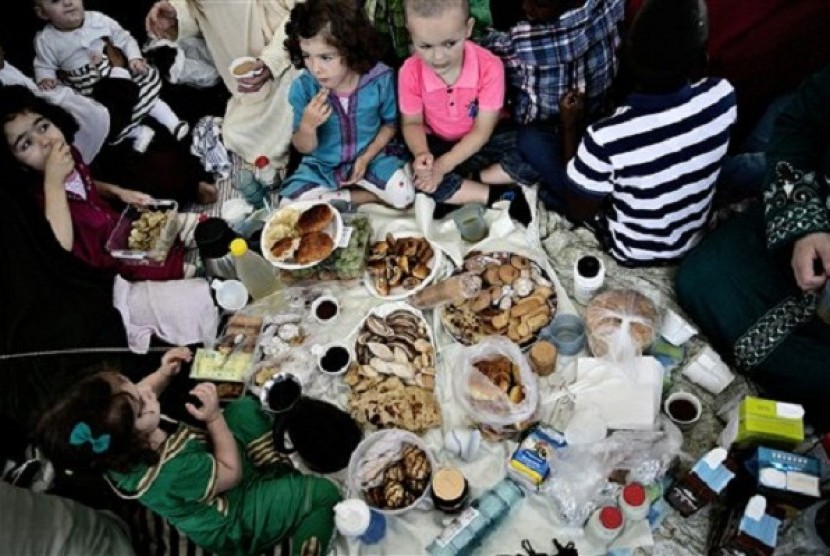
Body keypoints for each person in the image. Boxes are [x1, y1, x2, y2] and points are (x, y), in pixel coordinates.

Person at [36, 348, 341, 556]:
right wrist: (213, 419)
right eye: (140, 402)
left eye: (130, 383)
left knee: (246, 408)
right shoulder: (170, 472)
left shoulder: (118, 437)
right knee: (322, 492)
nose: (145, 392)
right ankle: (306, 544)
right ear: (135, 439)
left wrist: (163, 373)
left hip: (211, 467)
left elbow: (141, 392)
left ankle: (273, 478)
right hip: (232, 514)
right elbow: (230, 474)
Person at [676, 62, 830, 429]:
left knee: (811, 392)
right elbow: (798, 129)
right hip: (795, 227)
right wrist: (805, 227)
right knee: (701, 279)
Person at [563, 0, 737, 266]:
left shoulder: (605, 137)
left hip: (633, 251)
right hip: (692, 239)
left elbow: (578, 210)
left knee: (533, 143)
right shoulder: (723, 97)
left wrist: (569, 126)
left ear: (621, 52)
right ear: (703, 61)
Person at [0, 85, 186, 281]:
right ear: (15, 163)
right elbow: (59, 248)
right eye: (26, 144)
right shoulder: (36, 200)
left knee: (180, 230)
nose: (45, 141)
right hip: (105, 269)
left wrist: (117, 192)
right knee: (182, 269)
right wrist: (54, 182)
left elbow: (84, 183)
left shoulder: (70, 155)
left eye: (44, 126)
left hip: (118, 232)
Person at [399, 0, 534, 225]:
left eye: (450, 43)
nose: (438, 58)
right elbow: (412, 123)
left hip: (485, 140)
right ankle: (493, 195)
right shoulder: (409, 71)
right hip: (438, 143)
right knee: (416, 182)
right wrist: (423, 156)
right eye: (425, 46)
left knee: (537, 150)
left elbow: (482, 130)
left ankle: (469, 183)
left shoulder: (489, 66)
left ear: (468, 28)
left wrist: (443, 167)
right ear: (410, 33)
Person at [481, 0, 624, 212]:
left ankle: (562, 199)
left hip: (555, 132)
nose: (527, 9)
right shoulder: (611, 6)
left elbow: (484, 56)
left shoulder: (521, 44)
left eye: (540, 4)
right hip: (600, 113)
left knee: (527, 140)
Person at [280, 0, 414, 209]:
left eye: (326, 57)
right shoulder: (303, 88)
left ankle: (348, 195)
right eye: (307, 56)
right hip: (323, 166)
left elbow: (390, 125)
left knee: (404, 195)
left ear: (350, 49)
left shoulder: (379, 79)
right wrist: (308, 125)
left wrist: (366, 157)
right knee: (288, 205)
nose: (316, 68)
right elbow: (303, 147)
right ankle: (363, 197)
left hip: (373, 158)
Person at [145, 0, 300, 170]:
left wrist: (273, 60)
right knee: (236, 134)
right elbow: (197, 11)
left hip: (294, 55)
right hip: (249, 86)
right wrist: (176, 15)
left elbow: (306, 13)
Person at [33, 0, 189, 153]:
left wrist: (134, 57)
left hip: (115, 70)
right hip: (89, 87)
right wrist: (46, 78)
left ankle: (173, 123)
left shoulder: (98, 20)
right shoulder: (46, 40)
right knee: (103, 121)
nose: (67, 2)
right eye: (55, 1)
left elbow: (124, 39)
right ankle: (139, 132)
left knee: (145, 93)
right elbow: (44, 65)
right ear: (42, 12)